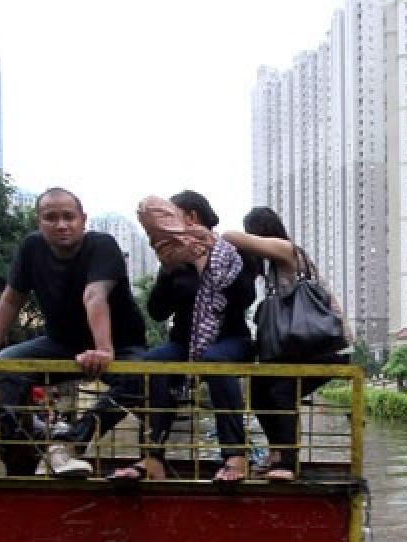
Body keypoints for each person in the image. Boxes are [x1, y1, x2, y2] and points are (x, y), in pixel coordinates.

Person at [0, 187, 147, 479]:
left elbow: (95, 294)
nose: (61, 225)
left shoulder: (102, 245)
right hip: (60, 342)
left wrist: (104, 350)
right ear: (38, 222)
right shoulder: (31, 248)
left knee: (140, 379)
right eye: (51, 217)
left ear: (83, 220)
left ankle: (69, 446)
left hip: (119, 343)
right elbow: (10, 299)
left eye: (69, 217)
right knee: (7, 364)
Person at [109, 191, 256, 482]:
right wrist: (168, 270)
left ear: (189, 217)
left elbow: (245, 297)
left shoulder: (231, 253)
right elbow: (157, 311)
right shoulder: (174, 261)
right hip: (182, 343)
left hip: (230, 340)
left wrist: (206, 263)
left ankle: (235, 455)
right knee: (153, 362)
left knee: (215, 359)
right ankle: (152, 457)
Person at [222, 207, 350, 482]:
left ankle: (288, 462)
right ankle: (277, 453)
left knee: (282, 390)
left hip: (323, 350)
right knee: (258, 389)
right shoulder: (274, 271)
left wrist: (238, 239)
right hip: (300, 351)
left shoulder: (286, 250)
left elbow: (230, 237)